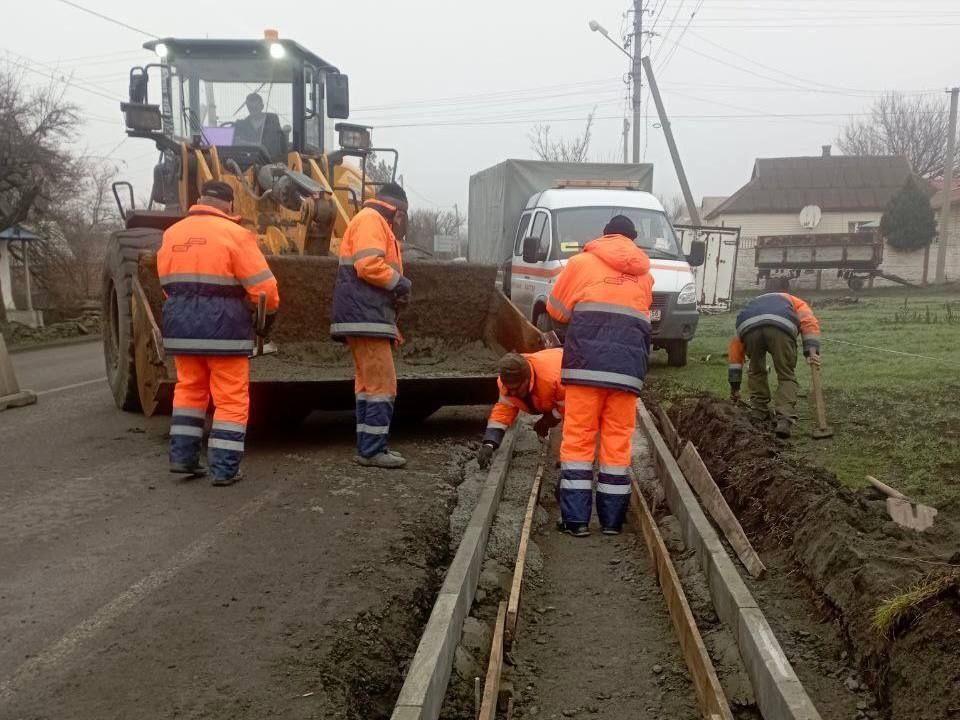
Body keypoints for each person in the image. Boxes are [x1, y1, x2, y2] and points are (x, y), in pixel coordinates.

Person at [158, 180, 279, 486]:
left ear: (200, 200)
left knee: (188, 391)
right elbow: (265, 288)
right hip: (224, 329)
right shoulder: (235, 234)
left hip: (181, 327)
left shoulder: (172, 233)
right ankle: (224, 468)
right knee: (230, 399)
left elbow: (166, 284)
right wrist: (267, 316)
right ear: (229, 206)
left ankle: (183, 458)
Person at [546, 215, 653, 537]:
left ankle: (576, 521)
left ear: (604, 235)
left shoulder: (580, 263)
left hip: (585, 368)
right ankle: (611, 522)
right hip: (627, 372)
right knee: (617, 445)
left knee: (578, 440)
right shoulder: (645, 274)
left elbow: (556, 310)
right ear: (632, 240)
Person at [331, 182, 411, 469]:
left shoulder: (369, 220)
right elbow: (368, 265)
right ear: (398, 211)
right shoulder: (372, 221)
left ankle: (368, 448)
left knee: (368, 385)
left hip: (363, 315)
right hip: (366, 316)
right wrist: (400, 284)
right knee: (382, 385)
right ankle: (373, 450)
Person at [727, 292, 821, 438]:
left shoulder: (751, 308)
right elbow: (809, 322)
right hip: (782, 327)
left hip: (749, 328)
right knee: (786, 374)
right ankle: (784, 419)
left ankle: (758, 412)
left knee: (756, 370)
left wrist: (735, 387)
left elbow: (735, 353)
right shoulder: (797, 302)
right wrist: (811, 351)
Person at [478, 348, 565, 469]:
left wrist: (550, 418)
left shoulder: (554, 380)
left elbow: (572, 406)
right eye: (509, 389)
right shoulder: (506, 384)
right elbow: (503, 411)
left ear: (527, 380)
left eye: (516, 388)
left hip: (572, 365)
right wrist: (490, 443)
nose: (512, 393)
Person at [233, 93, 287, 160]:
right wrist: (258, 146)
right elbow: (237, 142)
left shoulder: (272, 120)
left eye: (255, 107)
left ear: (262, 106)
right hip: (250, 162)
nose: (253, 110)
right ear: (247, 107)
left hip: (272, 162)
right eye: (250, 108)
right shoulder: (242, 124)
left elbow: (279, 144)